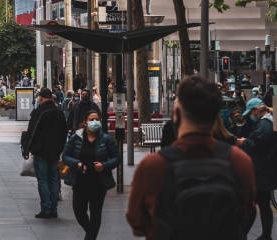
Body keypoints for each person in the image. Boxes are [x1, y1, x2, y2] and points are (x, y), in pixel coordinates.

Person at [126, 76, 255, 240]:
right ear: (215, 115)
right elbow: (247, 213)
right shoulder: (239, 161)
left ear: (176, 115)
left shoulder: (153, 166)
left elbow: (137, 223)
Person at [62, 109, 119, 239]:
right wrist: (77, 163)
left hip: (99, 182)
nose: (94, 122)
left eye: (97, 119)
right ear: (85, 123)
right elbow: (65, 156)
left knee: (95, 213)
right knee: (79, 212)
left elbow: (116, 158)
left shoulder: (106, 139)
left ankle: (90, 237)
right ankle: (91, 234)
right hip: (80, 181)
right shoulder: (76, 138)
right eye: (91, 120)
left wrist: (103, 165)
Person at [21, 87, 68, 219]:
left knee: (42, 180)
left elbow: (32, 132)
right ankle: (53, 209)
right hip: (54, 152)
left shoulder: (39, 112)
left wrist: (26, 149)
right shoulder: (59, 112)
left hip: (40, 151)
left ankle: (45, 209)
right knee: (54, 179)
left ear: (41, 98)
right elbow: (64, 132)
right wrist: (60, 149)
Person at [237, 99, 276, 240]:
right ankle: (266, 235)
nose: (250, 116)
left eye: (251, 113)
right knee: (264, 204)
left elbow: (257, 144)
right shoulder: (270, 121)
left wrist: (244, 142)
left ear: (257, 110)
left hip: (262, 170)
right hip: (266, 169)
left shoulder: (265, 124)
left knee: (252, 204)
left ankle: (242, 235)